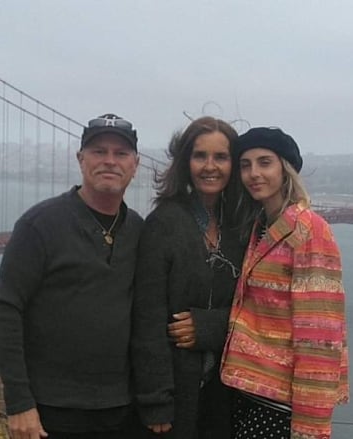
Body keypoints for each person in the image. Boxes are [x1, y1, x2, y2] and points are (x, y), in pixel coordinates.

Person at [0, 113, 143, 439]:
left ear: (136, 164)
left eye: (120, 153)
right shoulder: (39, 224)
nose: (110, 161)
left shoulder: (140, 231)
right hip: (49, 411)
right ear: (80, 158)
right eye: (99, 151)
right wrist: (19, 403)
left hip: (123, 409)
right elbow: (5, 311)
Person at [220, 127, 349, 439]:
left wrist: (311, 430)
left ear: (285, 169)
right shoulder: (262, 226)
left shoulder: (309, 232)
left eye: (265, 163)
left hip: (280, 407)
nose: (253, 173)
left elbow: (320, 339)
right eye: (245, 165)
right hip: (250, 393)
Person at [131, 116, 245, 438]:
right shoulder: (164, 223)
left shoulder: (241, 226)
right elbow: (147, 318)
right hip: (175, 397)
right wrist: (155, 403)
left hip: (226, 395)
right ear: (185, 162)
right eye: (200, 156)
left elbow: (259, 308)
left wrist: (211, 326)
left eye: (221, 157)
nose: (210, 166)